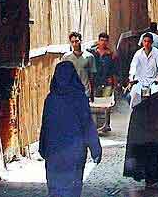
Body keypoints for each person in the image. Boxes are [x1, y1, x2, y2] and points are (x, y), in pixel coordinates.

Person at [39, 61, 102, 197]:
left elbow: (45, 126)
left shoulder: (50, 100)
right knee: (73, 189)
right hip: (75, 153)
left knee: (55, 189)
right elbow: (88, 126)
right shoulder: (80, 99)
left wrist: (43, 148)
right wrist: (95, 149)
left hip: (54, 152)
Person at [88, 32, 118, 132]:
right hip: (96, 81)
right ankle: (96, 124)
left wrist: (114, 82)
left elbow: (114, 69)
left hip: (107, 81)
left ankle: (106, 124)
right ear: (98, 41)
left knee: (106, 103)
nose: (103, 42)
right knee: (96, 103)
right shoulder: (92, 54)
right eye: (102, 40)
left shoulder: (111, 55)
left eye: (105, 40)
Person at [127, 32, 158, 108]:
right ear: (142, 42)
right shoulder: (138, 54)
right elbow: (133, 66)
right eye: (145, 41)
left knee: (157, 95)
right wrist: (131, 78)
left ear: (152, 43)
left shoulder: (157, 53)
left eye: (149, 41)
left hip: (153, 81)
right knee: (133, 95)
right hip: (140, 81)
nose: (146, 43)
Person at [62, 32, 97, 101]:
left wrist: (92, 93)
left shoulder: (89, 57)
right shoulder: (66, 57)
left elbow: (92, 76)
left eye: (76, 41)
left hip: (84, 92)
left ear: (81, 41)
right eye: (72, 42)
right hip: (71, 92)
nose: (75, 44)